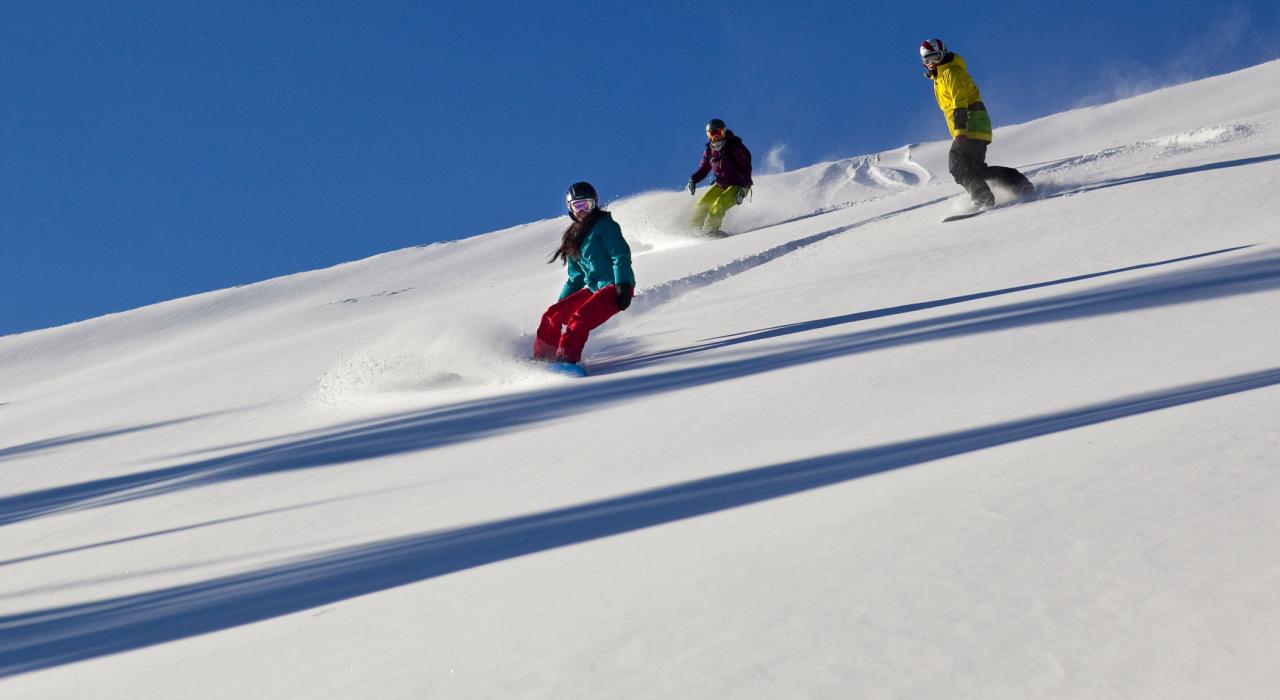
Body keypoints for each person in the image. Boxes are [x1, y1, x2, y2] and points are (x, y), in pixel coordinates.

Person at [921, 38, 1033, 209]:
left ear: (943, 54)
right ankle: (1018, 183)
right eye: (927, 60)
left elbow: (959, 101)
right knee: (975, 170)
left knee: (957, 165)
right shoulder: (940, 77)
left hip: (970, 123)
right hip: (975, 124)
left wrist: (960, 130)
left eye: (935, 57)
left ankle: (982, 196)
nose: (932, 63)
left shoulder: (950, 72)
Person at [532, 181, 636, 367]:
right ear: (570, 208)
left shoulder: (605, 225)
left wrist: (623, 285)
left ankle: (566, 362)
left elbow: (620, 254)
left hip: (615, 287)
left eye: (587, 205)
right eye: (577, 206)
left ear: (595, 204)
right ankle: (542, 360)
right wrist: (562, 304)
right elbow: (576, 278)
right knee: (552, 315)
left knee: (579, 319)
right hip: (595, 290)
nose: (582, 211)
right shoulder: (574, 237)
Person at [687, 118, 753, 237]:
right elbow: (703, 169)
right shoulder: (709, 151)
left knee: (719, 205)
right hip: (721, 184)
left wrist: (744, 187)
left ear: (723, 132)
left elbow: (746, 167)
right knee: (702, 204)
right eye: (712, 133)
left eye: (718, 132)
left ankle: (711, 232)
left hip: (739, 185)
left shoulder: (734, 146)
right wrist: (693, 179)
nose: (715, 136)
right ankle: (693, 232)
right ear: (708, 135)